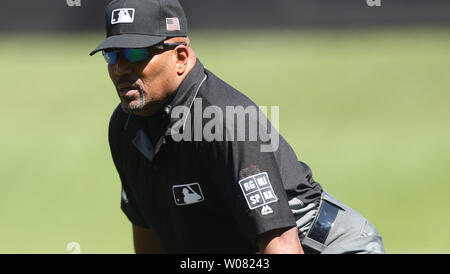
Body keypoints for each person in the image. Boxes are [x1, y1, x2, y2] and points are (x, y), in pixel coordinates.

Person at [90, 0, 385, 254]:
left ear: (181, 57)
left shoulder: (226, 120)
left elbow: (281, 242)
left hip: (325, 247)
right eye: (113, 55)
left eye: (136, 54)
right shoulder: (125, 128)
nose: (120, 68)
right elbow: (147, 228)